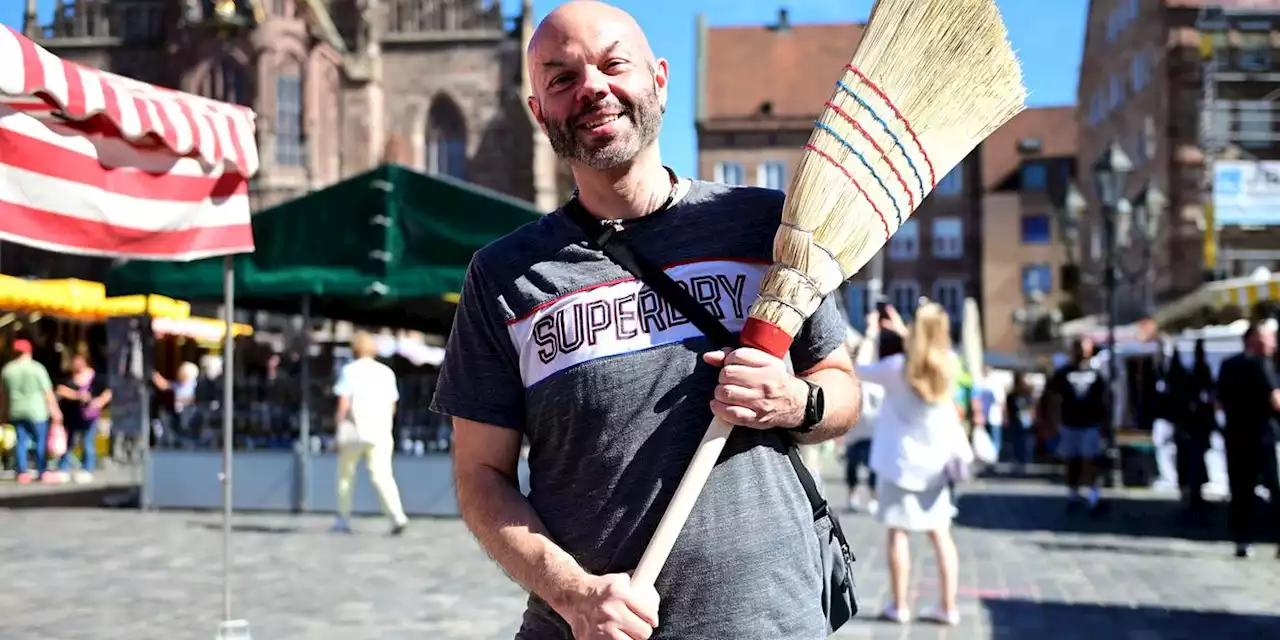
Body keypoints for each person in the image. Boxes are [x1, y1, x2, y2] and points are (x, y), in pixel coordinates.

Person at [428, 3, 861, 638]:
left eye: (612, 64)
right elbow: (479, 476)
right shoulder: (504, 275)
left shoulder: (767, 227)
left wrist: (799, 401)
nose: (592, 89)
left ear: (659, 78)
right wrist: (573, 594)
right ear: (537, 110)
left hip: (769, 620)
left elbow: (842, 390)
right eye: (561, 78)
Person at [855, 303, 971, 626]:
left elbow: (859, 369)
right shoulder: (949, 364)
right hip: (936, 467)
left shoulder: (896, 368)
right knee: (941, 536)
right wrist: (907, 332)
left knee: (898, 534)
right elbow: (928, 352)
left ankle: (899, 604)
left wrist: (873, 333)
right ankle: (948, 606)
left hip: (899, 463)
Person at [332, 331, 409, 536]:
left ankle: (343, 519)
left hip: (354, 430)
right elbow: (393, 406)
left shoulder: (349, 371)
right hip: (381, 431)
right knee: (383, 476)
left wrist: (337, 428)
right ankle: (397, 515)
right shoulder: (386, 372)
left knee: (345, 476)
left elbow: (343, 404)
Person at [1216, 320, 1280, 559]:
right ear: (1254, 339)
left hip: (1235, 437)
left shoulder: (1227, 365)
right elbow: (1276, 400)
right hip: (1263, 436)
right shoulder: (1262, 364)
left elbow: (1219, 402)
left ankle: (1242, 540)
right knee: (1275, 488)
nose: (1273, 343)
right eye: (1269, 337)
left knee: (1240, 491)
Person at [1045, 337, 1109, 512]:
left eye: (1085, 348)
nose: (1082, 351)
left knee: (1090, 459)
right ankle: (1073, 494)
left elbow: (1103, 400)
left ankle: (1093, 495)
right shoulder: (1063, 373)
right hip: (1069, 424)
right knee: (1072, 461)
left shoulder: (1096, 373)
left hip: (1090, 423)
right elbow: (1054, 399)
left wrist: (1104, 424)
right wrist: (1054, 423)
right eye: (1079, 348)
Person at [1, 338, 63, 484]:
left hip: (16, 410)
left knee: (21, 441)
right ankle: (42, 470)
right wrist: (55, 410)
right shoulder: (37, 368)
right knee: (40, 441)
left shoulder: (7, 370)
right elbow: (47, 392)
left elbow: (3, 396)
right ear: (29, 351)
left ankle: (22, 472)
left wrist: (2, 414)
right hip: (37, 411)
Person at [54, 353, 110, 483]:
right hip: (72, 415)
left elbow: (108, 391)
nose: (76, 364)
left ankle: (87, 469)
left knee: (88, 442)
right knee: (69, 443)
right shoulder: (68, 377)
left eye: (79, 361)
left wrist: (99, 402)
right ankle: (64, 469)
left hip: (89, 415)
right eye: (75, 361)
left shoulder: (97, 377)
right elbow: (60, 389)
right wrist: (77, 395)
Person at [1005, 372, 1038, 473]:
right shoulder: (1012, 396)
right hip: (1014, 421)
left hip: (1026, 422)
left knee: (1026, 442)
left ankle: (1024, 462)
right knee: (1015, 443)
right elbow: (1008, 408)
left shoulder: (1029, 395)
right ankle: (1015, 462)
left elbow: (1032, 408)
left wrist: (1033, 419)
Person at [975, 366, 1006, 465]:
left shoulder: (983, 383)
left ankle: (990, 457)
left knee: (992, 436)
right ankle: (992, 457)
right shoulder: (993, 384)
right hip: (992, 416)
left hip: (988, 416)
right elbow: (1001, 402)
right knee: (994, 437)